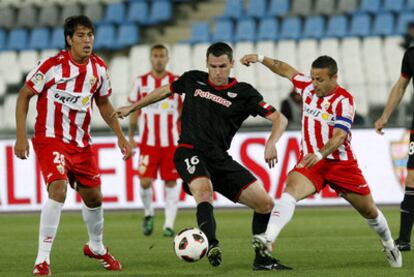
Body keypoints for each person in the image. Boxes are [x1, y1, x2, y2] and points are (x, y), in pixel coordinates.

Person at [114, 42, 290, 270]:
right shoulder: (192, 79)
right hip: (189, 150)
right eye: (213, 66)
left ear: (231, 65)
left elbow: (280, 119)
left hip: (220, 158)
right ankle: (211, 243)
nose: (217, 72)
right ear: (206, 64)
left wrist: (271, 143)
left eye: (222, 66)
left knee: (265, 204)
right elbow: (165, 90)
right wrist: (133, 107)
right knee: (204, 191)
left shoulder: (244, 93)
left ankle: (262, 260)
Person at [240, 54, 402, 268]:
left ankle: (389, 244)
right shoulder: (307, 86)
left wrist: (319, 154)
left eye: (320, 79)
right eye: (313, 78)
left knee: (369, 211)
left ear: (334, 77)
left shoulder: (344, 101)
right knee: (290, 191)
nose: (314, 84)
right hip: (311, 162)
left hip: (341, 164)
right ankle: (267, 239)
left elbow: (339, 137)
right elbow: (284, 69)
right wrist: (260, 58)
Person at [14, 15, 133, 276]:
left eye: (89, 35)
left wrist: (120, 136)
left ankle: (96, 246)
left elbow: (103, 103)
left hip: (81, 145)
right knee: (58, 188)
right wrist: (21, 136)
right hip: (50, 139)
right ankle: (42, 260)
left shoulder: (99, 69)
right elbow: (24, 96)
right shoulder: (52, 66)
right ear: (69, 39)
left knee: (94, 198)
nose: (87, 40)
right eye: (80, 35)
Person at [128, 44, 181, 237]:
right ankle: (149, 213)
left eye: (162, 56)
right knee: (144, 182)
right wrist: (131, 137)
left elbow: (183, 112)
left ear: (167, 59)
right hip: (148, 144)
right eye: (155, 56)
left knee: (171, 182)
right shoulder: (141, 82)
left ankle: (168, 224)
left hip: (171, 144)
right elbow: (134, 112)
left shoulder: (175, 82)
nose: (158, 59)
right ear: (151, 59)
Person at [375, 46, 414, 252]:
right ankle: (404, 240)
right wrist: (385, 116)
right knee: (411, 180)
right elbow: (401, 86)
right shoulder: (411, 54)